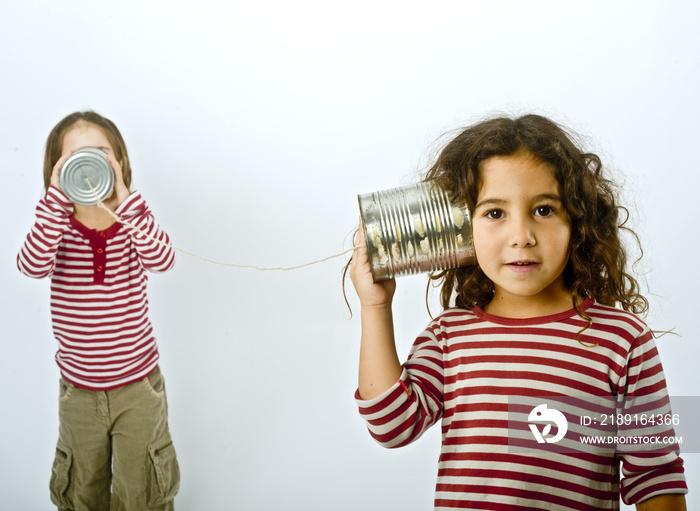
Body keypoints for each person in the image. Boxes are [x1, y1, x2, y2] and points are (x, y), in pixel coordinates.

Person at [349, 114, 688, 510]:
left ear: (578, 220)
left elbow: (655, 475)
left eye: (544, 210)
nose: (522, 237)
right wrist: (375, 306)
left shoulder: (622, 340)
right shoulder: (449, 336)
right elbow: (391, 425)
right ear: (460, 229)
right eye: (495, 213)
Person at [17, 111, 180, 510]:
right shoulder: (57, 227)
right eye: (75, 156)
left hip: (137, 387)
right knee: (82, 487)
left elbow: (164, 260)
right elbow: (31, 264)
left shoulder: (131, 222)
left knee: (141, 487)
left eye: (102, 154)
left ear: (121, 162)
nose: (88, 163)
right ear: (57, 169)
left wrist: (127, 202)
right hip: (79, 392)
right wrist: (55, 201)